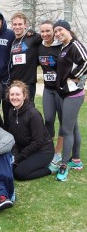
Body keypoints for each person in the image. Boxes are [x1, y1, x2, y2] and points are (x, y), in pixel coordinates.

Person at [53, 20, 87, 181]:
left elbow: (86, 62)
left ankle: (64, 165)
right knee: (73, 128)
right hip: (65, 93)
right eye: (55, 32)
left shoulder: (75, 45)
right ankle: (76, 160)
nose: (58, 34)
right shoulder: (64, 47)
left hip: (73, 95)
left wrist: (75, 77)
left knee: (66, 130)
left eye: (60, 30)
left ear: (68, 29)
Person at [7, 80, 55, 180]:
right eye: (12, 94)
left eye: (17, 94)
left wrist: (19, 158)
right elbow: (12, 137)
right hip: (25, 150)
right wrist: (15, 156)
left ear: (24, 96)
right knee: (9, 169)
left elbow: (38, 142)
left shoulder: (33, 114)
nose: (14, 97)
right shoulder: (11, 112)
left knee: (20, 174)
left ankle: (51, 169)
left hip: (43, 151)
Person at [38, 20, 63, 165]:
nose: (45, 34)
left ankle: (59, 152)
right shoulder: (39, 47)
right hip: (48, 89)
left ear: (54, 32)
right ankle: (49, 147)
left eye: (48, 31)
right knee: (48, 119)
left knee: (63, 121)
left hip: (61, 90)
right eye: (42, 31)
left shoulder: (60, 47)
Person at [9, 12, 42, 101]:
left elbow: (47, 36)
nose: (17, 27)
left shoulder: (32, 37)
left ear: (25, 25)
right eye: (15, 24)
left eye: (20, 24)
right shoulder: (12, 41)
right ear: (12, 26)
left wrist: (33, 31)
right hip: (14, 83)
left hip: (28, 83)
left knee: (28, 110)